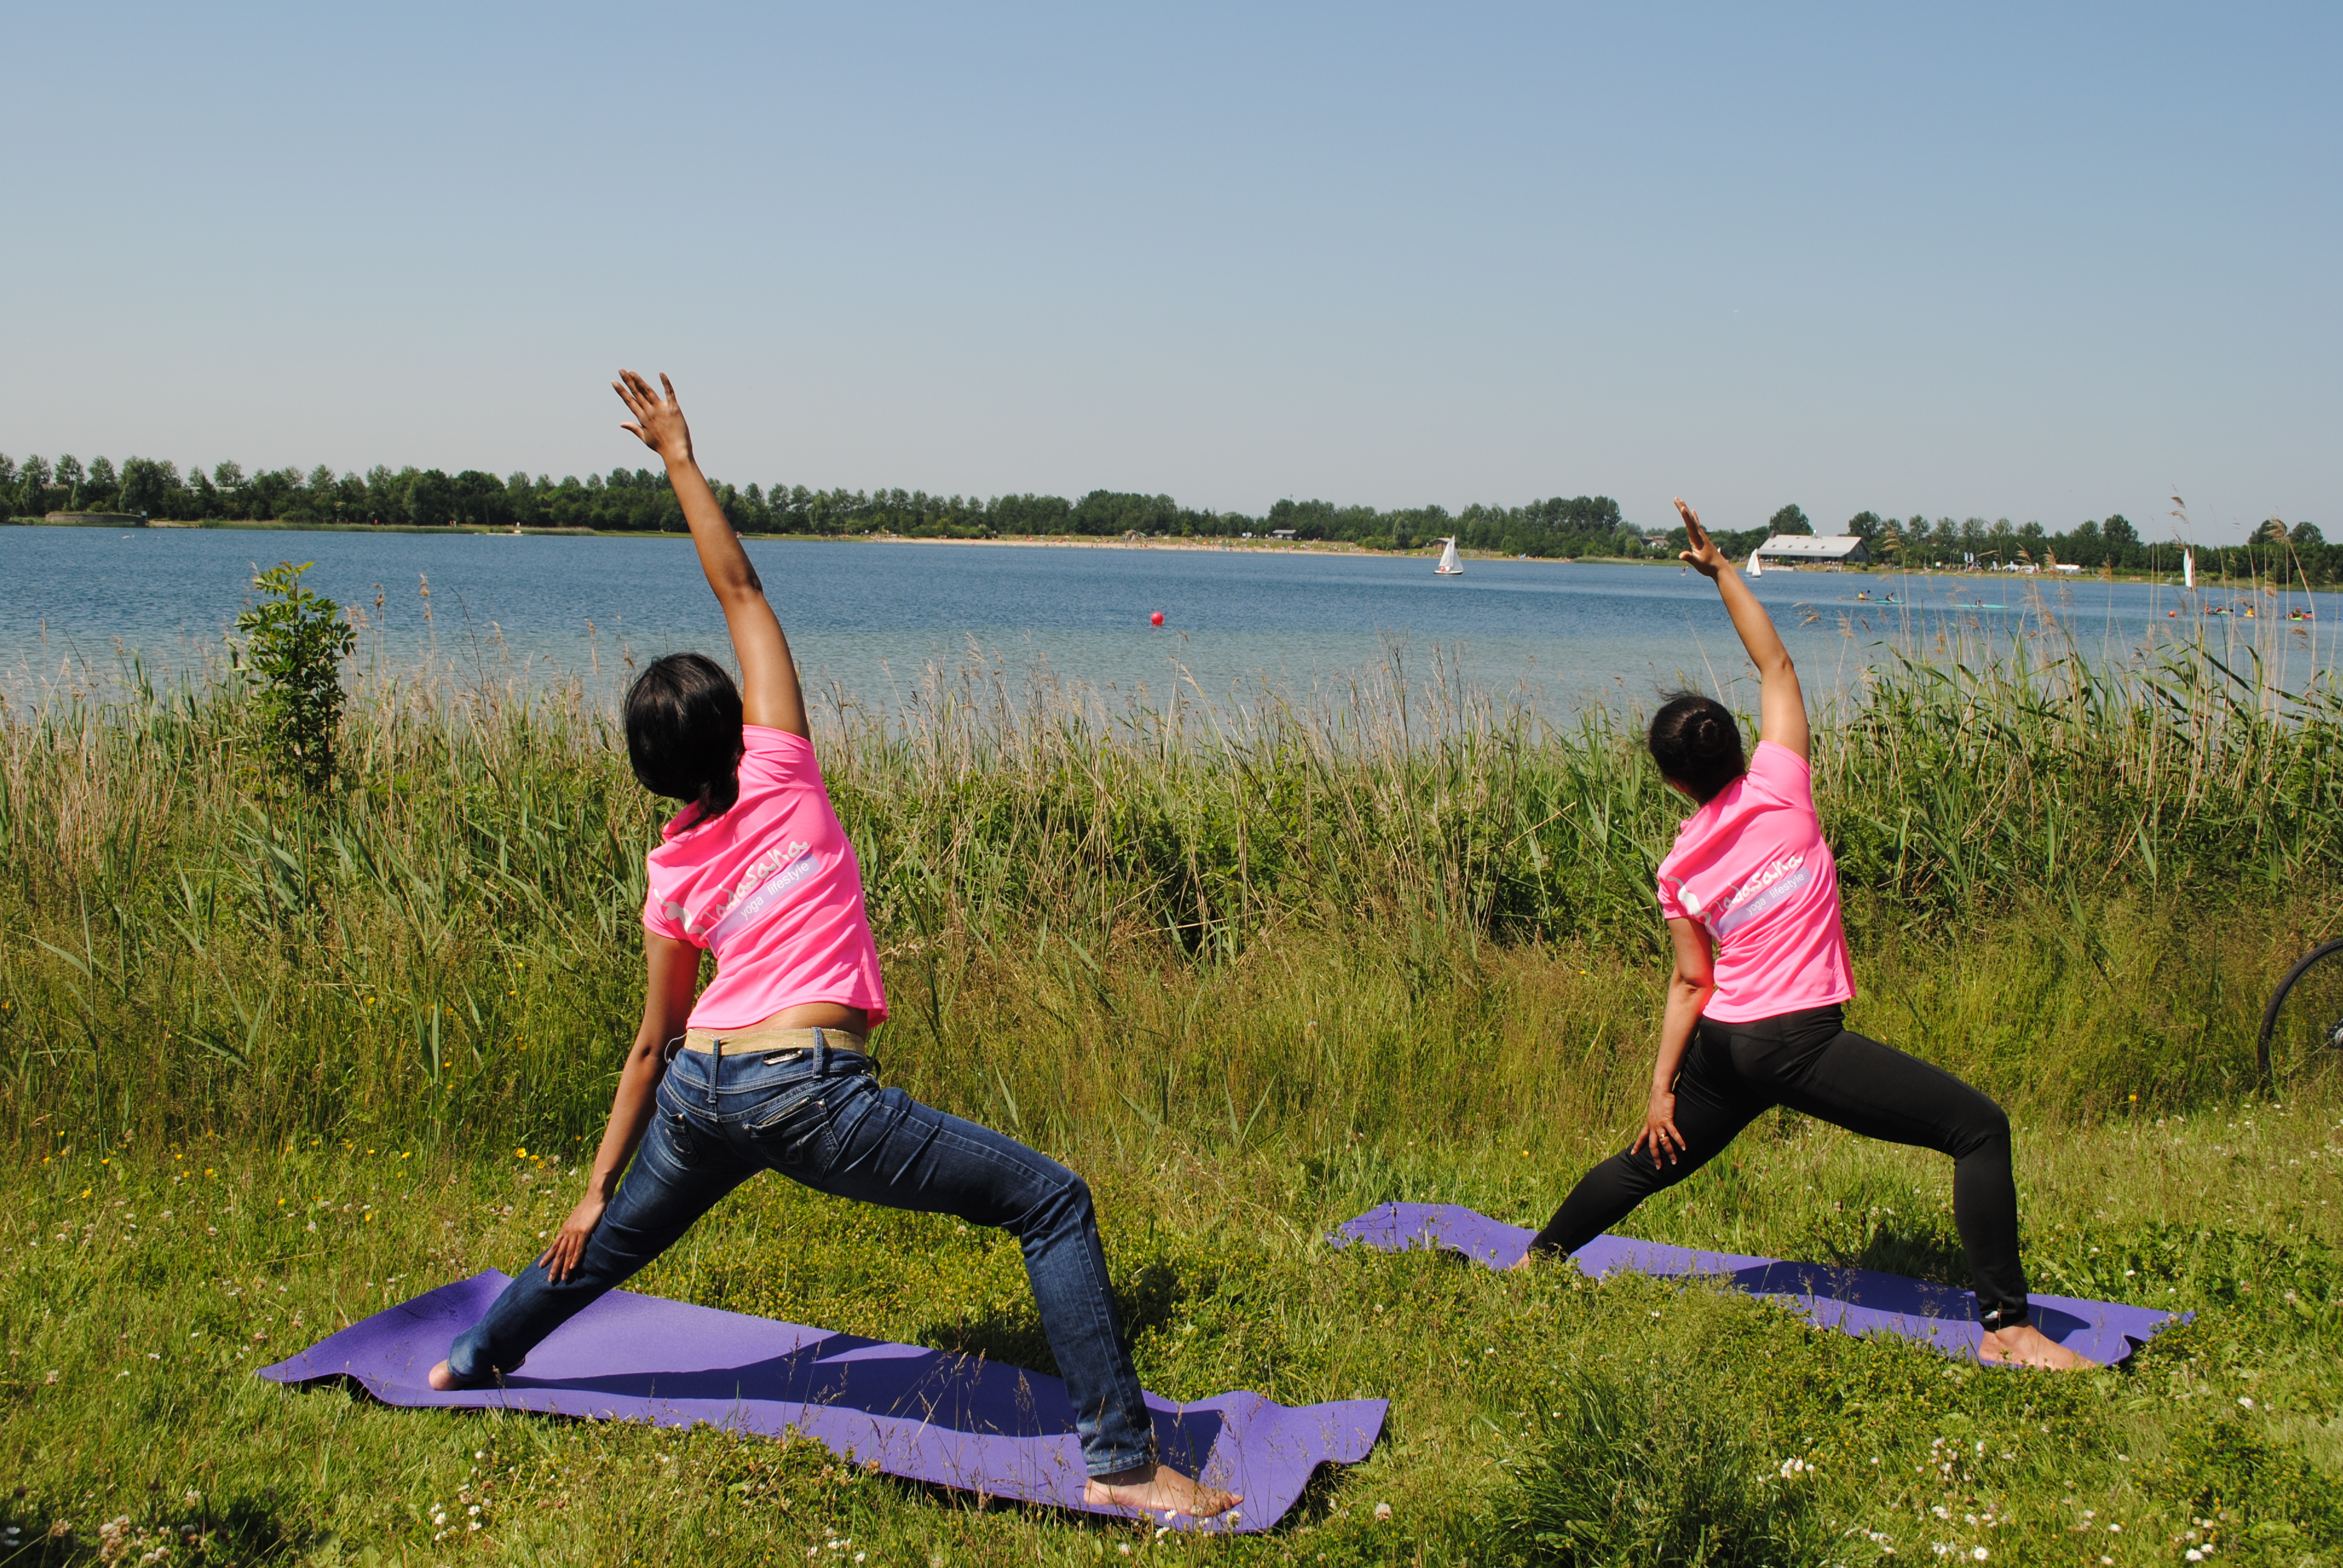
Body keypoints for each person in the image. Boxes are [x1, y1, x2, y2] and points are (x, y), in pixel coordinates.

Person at [430, 372, 1241, 1517]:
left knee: (606, 1249)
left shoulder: (669, 866)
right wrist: (677, 455)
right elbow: (741, 586)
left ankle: (470, 1359)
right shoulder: (783, 764)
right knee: (1054, 1203)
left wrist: (590, 1190)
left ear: (648, 774)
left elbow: (652, 1044)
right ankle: (1122, 1465)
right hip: (807, 1089)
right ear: (738, 726)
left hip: (703, 1090)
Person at [1510, 499, 2089, 1371]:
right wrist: (1721, 572)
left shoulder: (1681, 866)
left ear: (1672, 780)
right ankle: (2008, 1329)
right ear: (1738, 747)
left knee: (1645, 1161)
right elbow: (1775, 662)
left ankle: (1533, 1263)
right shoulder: (1783, 787)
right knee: (1979, 1130)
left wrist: (1661, 1090)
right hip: (1795, 1045)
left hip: (1725, 1046)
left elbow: (1690, 986)